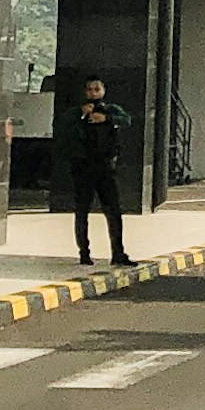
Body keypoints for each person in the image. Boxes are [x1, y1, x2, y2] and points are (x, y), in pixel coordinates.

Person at [67, 76, 133, 271]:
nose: (93, 93)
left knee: (113, 210)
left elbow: (127, 120)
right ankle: (84, 252)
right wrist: (81, 113)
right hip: (83, 167)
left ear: (103, 90)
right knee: (82, 210)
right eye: (90, 90)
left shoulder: (111, 110)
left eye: (97, 89)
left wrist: (107, 119)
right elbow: (63, 125)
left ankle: (118, 252)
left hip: (105, 167)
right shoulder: (75, 112)